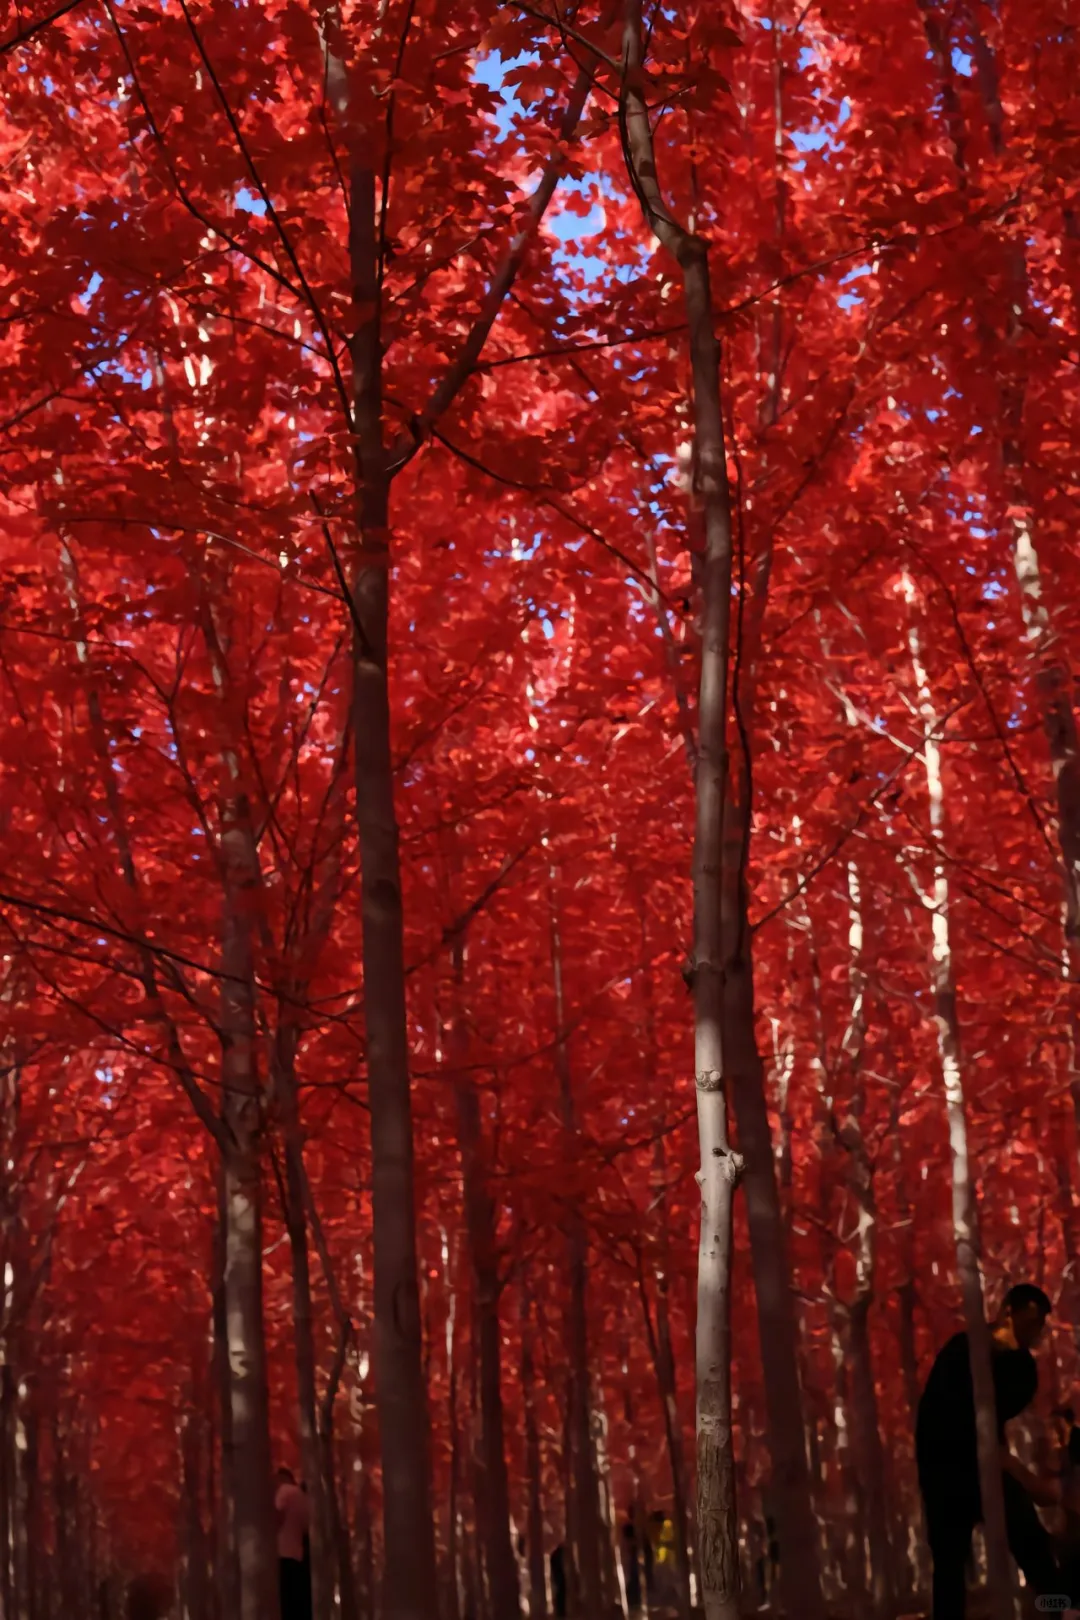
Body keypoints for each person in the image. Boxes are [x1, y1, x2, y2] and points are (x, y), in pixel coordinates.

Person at [916, 1282, 1063, 1617]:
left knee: (1035, 1549)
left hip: (989, 1469)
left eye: (1039, 1325)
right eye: (1030, 1322)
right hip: (945, 1471)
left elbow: (993, 1414)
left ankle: (1061, 1610)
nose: (1034, 1331)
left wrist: (1013, 1470)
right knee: (949, 1565)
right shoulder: (960, 1350)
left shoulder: (1024, 1369)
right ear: (1007, 1312)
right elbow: (937, 1413)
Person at [276, 1466, 313, 1620]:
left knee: (285, 1606)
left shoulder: (283, 1492)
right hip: (298, 1558)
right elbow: (307, 1527)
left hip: (281, 1556)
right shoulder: (302, 1497)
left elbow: (276, 1515)